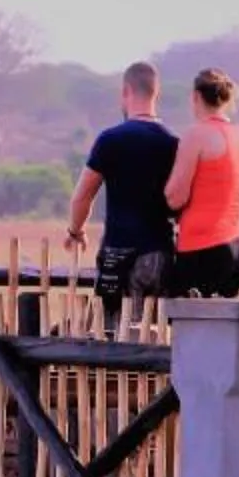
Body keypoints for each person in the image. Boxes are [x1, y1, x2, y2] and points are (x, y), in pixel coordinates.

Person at [63, 61, 180, 329]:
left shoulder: (111, 139)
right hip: (159, 252)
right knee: (156, 335)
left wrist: (75, 232)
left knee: (117, 336)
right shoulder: (173, 143)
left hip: (119, 253)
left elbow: (82, 196)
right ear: (156, 93)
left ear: (126, 91)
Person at [160, 68, 239, 297]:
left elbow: (175, 198)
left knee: (191, 328)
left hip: (204, 247)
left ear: (195, 97)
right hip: (237, 243)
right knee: (222, 329)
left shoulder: (196, 135)